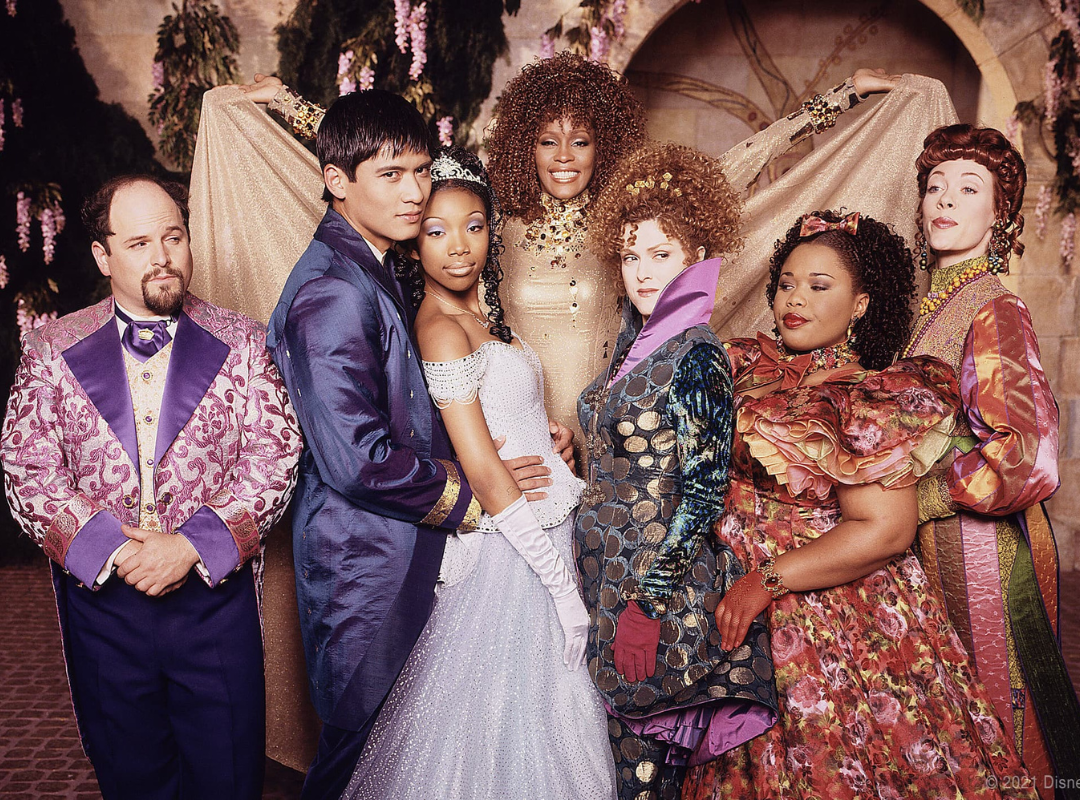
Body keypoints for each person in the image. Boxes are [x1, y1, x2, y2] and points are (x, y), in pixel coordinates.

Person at [237, 61, 899, 451]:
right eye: (547, 141)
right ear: (524, 143)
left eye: (579, 142)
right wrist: (288, 106)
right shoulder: (490, 215)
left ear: (601, 145)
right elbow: (375, 160)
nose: (562, 158)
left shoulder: (629, 216)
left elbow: (737, 166)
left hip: (614, 429)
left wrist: (839, 98)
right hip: (515, 435)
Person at [264, 91, 574, 799]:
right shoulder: (334, 291)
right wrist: (475, 490)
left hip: (394, 554)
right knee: (357, 761)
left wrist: (513, 436)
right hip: (363, 568)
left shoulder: (366, 265)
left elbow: (399, 408)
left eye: (419, 171)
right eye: (391, 174)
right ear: (337, 180)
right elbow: (357, 456)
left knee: (399, 760)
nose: (414, 193)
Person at [680, 209, 1033, 799]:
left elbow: (885, 531)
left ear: (862, 304)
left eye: (821, 287)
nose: (797, 299)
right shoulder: (739, 364)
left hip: (819, 607)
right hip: (722, 588)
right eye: (787, 283)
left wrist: (764, 580)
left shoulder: (867, 397)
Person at [1, 175, 302, 800]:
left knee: (229, 775)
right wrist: (110, 550)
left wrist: (191, 546)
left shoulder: (244, 340)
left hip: (213, 602)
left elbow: (274, 454)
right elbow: (27, 467)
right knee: (131, 777)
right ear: (102, 255)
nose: (163, 256)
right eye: (138, 242)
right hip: (103, 604)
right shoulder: (50, 347)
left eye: (173, 236)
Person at [341, 146, 616, 799]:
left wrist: (548, 440)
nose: (458, 247)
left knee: (539, 717)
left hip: (546, 526)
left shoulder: (484, 320)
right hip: (512, 551)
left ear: (492, 233)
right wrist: (562, 591)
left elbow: (506, 419)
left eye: (473, 226)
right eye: (436, 231)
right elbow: (484, 471)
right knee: (504, 722)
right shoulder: (440, 330)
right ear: (414, 246)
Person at [576, 141, 779, 800]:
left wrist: (648, 606)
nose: (640, 271)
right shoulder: (636, 343)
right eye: (630, 254)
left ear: (695, 255)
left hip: (656, 599)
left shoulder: (696, 353)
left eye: (659, 254)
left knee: (642, 782)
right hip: (605, 584)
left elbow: (701, 496)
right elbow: (623, 451)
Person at [905, 124, 1080, 793]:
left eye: (968, 187)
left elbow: (1025, 451)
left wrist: (923, 496)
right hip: (931, 544)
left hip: (985, 547)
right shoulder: (930, 305)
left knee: (995, 707)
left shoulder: (995, 305)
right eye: (935, 185)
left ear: (999, 214)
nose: (945, 198)